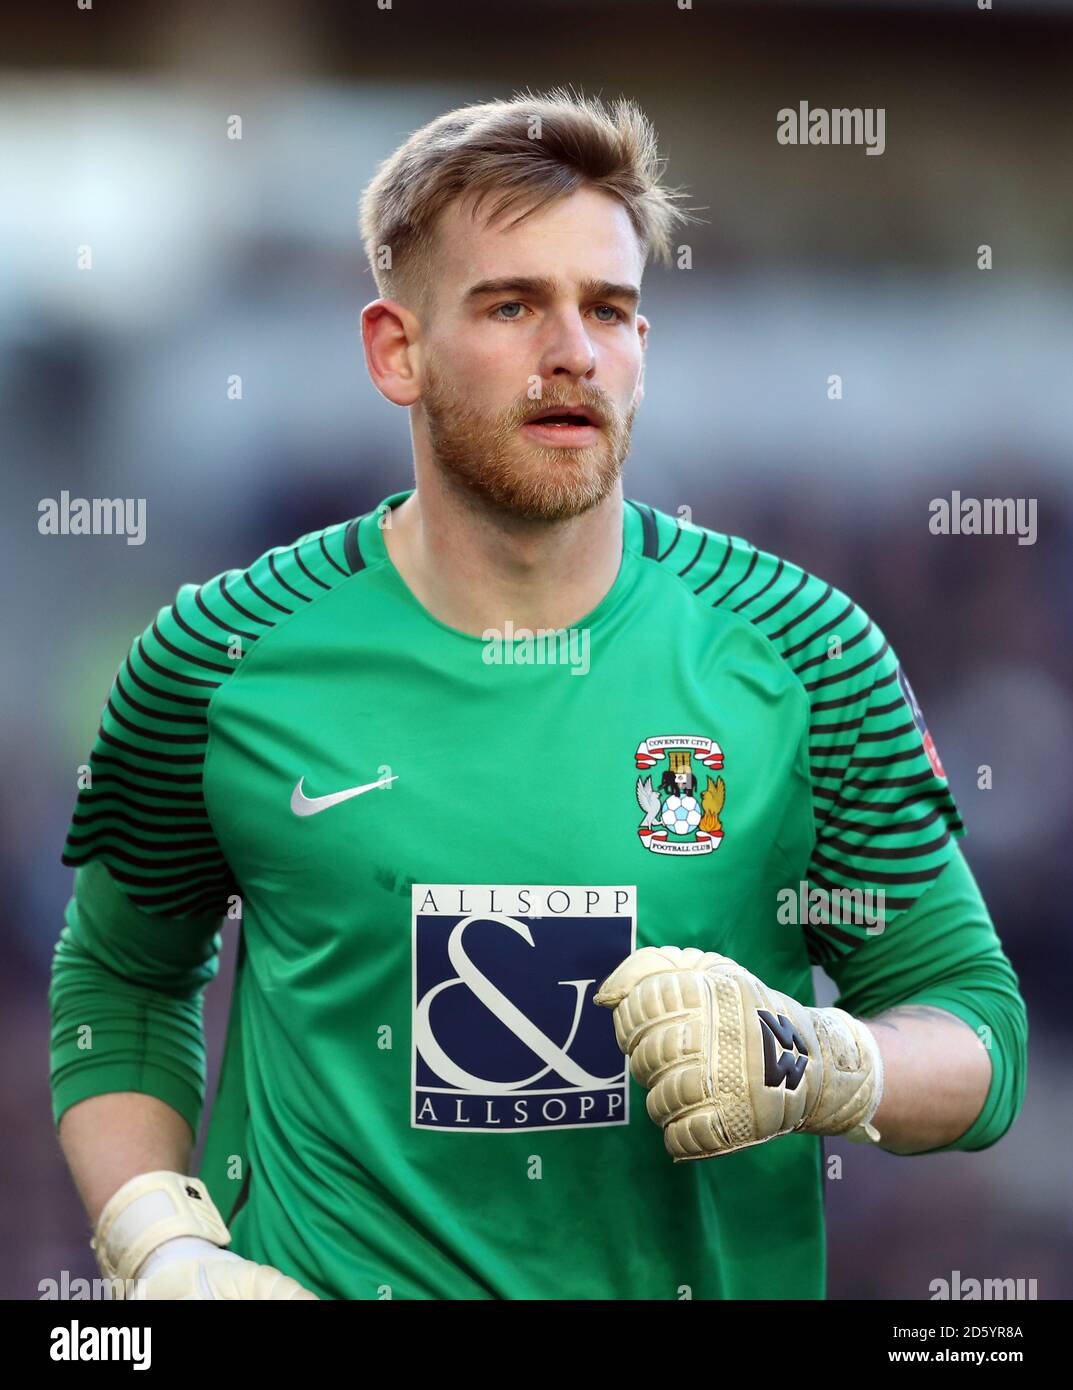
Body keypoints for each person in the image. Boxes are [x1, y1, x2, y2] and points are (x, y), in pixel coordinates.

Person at [51, 88, 1027, 1301]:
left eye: (607, 309)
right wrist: (159, 1238)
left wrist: (824, 1059)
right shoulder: (217, 654)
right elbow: (121, 982)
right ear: (394, 349)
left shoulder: (807, 653)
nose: (572, 350)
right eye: (512, 304)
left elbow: (980, 1036)